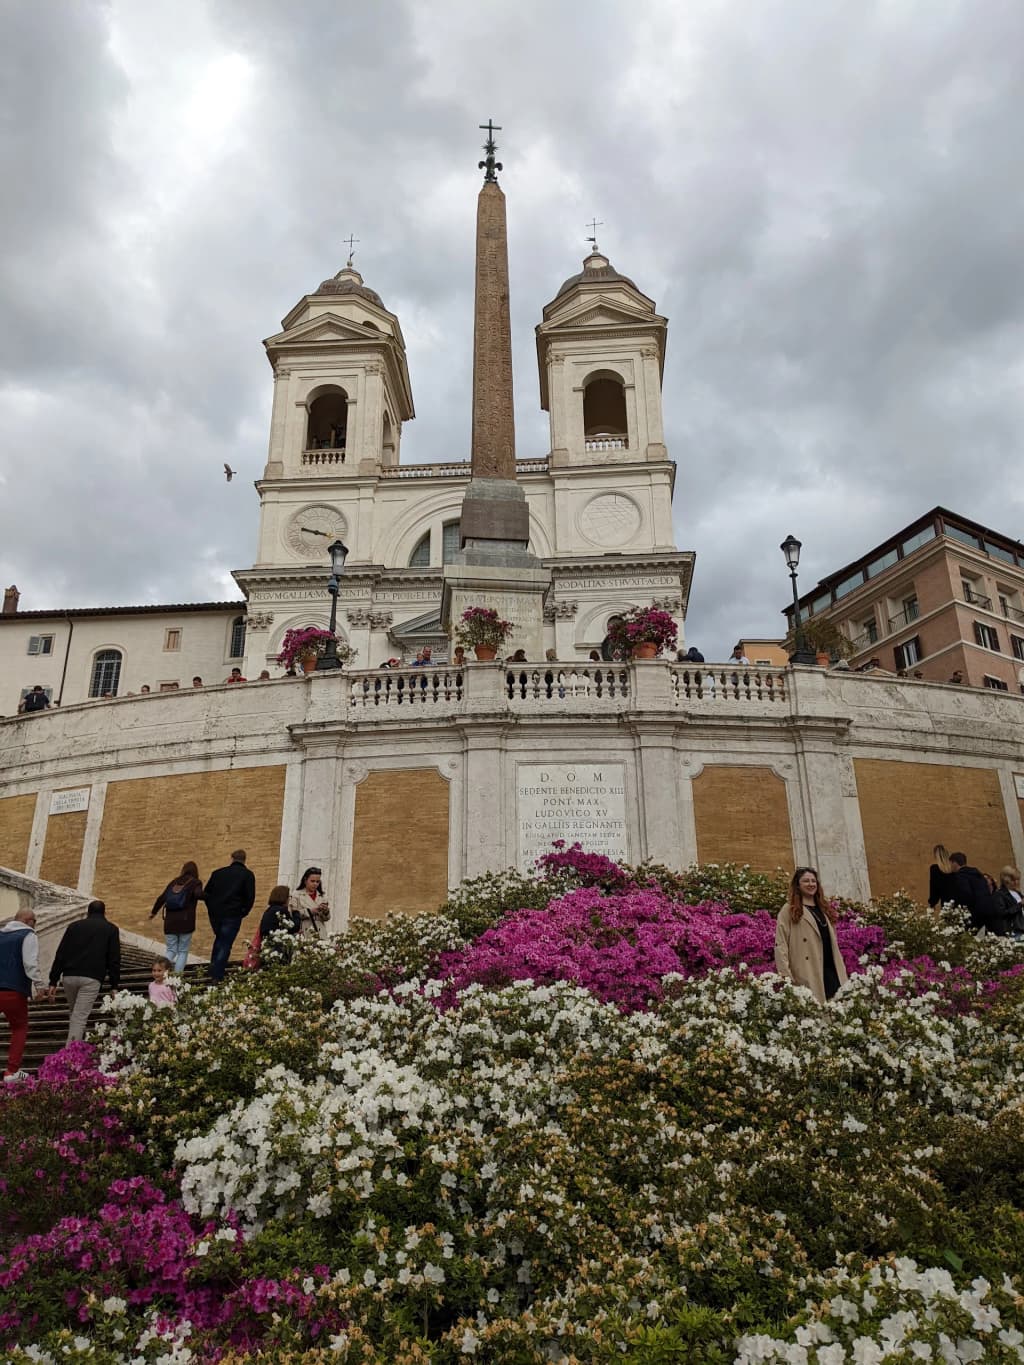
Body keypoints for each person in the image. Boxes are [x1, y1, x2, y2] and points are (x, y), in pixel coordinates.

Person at [49, 900, 121, 1042]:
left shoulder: (74, 926)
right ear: (104, 912)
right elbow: (114, 959)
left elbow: (61, 953)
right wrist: (114, 985)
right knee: (79, 1016)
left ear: (88, 912)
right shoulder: (111, 929)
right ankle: (71, 1056)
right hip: (92, 978)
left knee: (75, 1013)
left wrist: (53, 980)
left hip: (69, 976)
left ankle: (75, 1048)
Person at [774, 867, 848, 1004]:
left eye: (813, 881)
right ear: (798, 885)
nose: (811, 884)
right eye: (806, 881)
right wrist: (785, 975)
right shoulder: (789, 909)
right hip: (807, 970)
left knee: (837, 1010)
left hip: (832, 969)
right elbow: (781, 944)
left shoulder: (824, 909)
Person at [0, 909, 47, 1082]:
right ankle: (11, 1072)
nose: (35, 924)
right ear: (28, 921)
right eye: (35, 921)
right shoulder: (28, 935)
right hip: (14, 990)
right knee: (19, 1028)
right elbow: (30, 963)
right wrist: (40, 986)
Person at [204, 850, 256, 981]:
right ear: (244, 860)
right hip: (233, 914)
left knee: (220, 940)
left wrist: (212, 908)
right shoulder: (248, 875)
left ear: (232, 858)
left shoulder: (217, 873)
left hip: (216, 914)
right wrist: (243, 912)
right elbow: (250, 897)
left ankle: (213, 968)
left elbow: (206, 893)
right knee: (225, 943)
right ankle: (217, 974)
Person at [149, 861, 204, 973]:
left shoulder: (174, 882)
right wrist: (211, 896)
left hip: (170, 921)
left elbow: (161, 898)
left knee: (171, 950)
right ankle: (177, 977)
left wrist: (153, 912)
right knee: (183, 951)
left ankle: (160, 973)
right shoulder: (195, 883)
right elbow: (198, 894)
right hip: (186, 921)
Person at [949, 851, 1004, 933]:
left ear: (955, 863)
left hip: (974, 915)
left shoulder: (960, 876)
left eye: (951, 863)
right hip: (989, 912)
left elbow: (966, 895)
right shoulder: (978, 875)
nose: (950, 867)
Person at [258, 885, 301, 965]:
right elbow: (294, 927)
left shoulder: (269, 910)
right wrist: (296, 912)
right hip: (278, 949)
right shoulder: (281, 910)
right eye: (289, 897)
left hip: (267, 948)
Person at [290, 867, 331, 938]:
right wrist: (310, 911)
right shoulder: (296, 895)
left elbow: (326, 918)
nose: (315, 884)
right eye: (312, 881)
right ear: (305, 880)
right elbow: (292, 915)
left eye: (317, 882)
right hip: (304, 929)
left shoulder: (322, 896)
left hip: (320, 931)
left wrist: (326, 911)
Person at [995, 867, 1024, 936]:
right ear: (1006, 880)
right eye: (1013, 880)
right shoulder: (1000, 894)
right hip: (1014, 930)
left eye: (1018, 879)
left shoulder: (1017, 893)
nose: (1016, 882)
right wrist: (1020, 905)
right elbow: (1002, 913)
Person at [927, 844, 958, 909]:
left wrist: (932, 903)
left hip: (945, 904)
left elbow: (934, 887)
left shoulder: (935, 869)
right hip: (958, 903)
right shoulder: (954, 870)